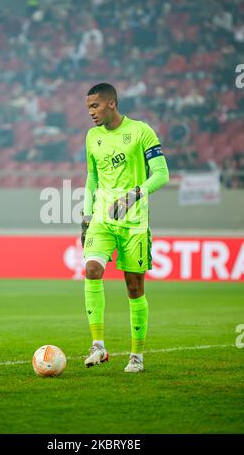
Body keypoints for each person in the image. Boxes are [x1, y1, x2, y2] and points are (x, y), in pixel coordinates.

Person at [81, 83, 169, 373]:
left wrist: (134, 194)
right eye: (88, 108)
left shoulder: (141, 131)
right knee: (91, 269)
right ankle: (98, 346)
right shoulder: (92, 137)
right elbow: (92, 178)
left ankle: (137, 357)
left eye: (94, 106)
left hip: (134, 224)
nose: (91, 113)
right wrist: (86, 215)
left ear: (111, 103)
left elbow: (161, 174)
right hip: (102, 220)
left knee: (134, 288)